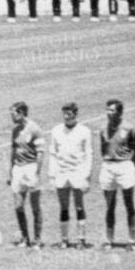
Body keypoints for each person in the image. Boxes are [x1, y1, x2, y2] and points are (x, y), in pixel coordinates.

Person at [49, 102, 94, 249]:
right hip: (62, 173)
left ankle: (81, 239)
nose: (66, 116)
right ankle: (64, 239)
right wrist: (51, 176)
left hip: (77, 173)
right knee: (63, 207)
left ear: (75, 114)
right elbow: (53, 154)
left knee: (79, 206)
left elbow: (88, 154)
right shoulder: (56, 131)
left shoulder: (84, 131)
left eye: (69, 114)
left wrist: (86, 176)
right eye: (64, 113)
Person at [99, 99, 135, 250]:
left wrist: (129, 164)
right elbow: (103, 148)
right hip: (108, 166)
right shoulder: (103, 128)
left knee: (129, 204)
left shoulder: (128, 128)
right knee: (109, 205)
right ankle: (109, 240)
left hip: (125, 165)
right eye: (107, 110)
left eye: (112, 110)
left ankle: (132, 240)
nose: (108, 113)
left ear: (120, 112)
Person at [7, 102, 45, 248]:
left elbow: (41, 151)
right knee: (18, 206)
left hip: (31, 168)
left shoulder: (35, 129)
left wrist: (37, 172)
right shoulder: (15, 130)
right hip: (18, 169)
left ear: (22, 113)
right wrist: (11, 172)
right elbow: (13, 151)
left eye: (14, 113)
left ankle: (38, 239)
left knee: (35, 207)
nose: (12, 115)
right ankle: (24, 238)